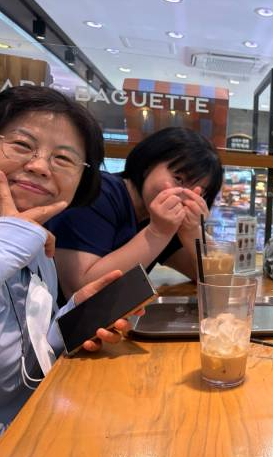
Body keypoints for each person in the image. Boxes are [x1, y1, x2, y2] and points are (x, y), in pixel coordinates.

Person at [0, 85, 136, 432]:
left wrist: (71, 320)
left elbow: (27, 362)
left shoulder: (39, 247)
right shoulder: (25, 240)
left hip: (37, 428)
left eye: (62, 159)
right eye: (22, 145)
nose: (40, 166)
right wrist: (11, 239)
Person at [47, 127, 224, 298]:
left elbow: (217, 279)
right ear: (148, 164)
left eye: (200, 192)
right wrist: (158, 232)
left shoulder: (163, 218)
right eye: (178, 179)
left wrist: (192, 230)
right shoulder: (97, 193)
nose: (186, 196)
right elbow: (79, 291)